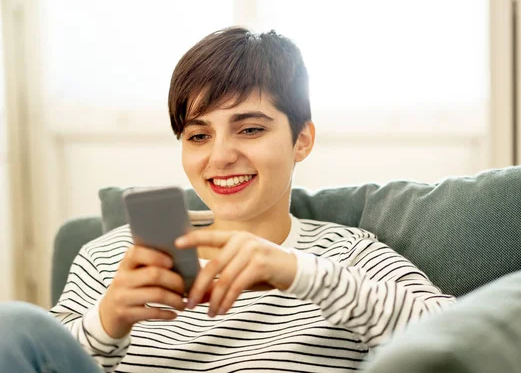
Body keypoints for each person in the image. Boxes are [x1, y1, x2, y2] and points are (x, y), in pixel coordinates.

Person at [45, 27, 456, 372]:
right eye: (198, 136)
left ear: (302, 140)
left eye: (250, 129)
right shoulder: (108, 259)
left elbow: (462, 342)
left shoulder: (349, 258)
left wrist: (298, 273)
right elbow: (34, 359)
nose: (220, 157)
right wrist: (106, 323)